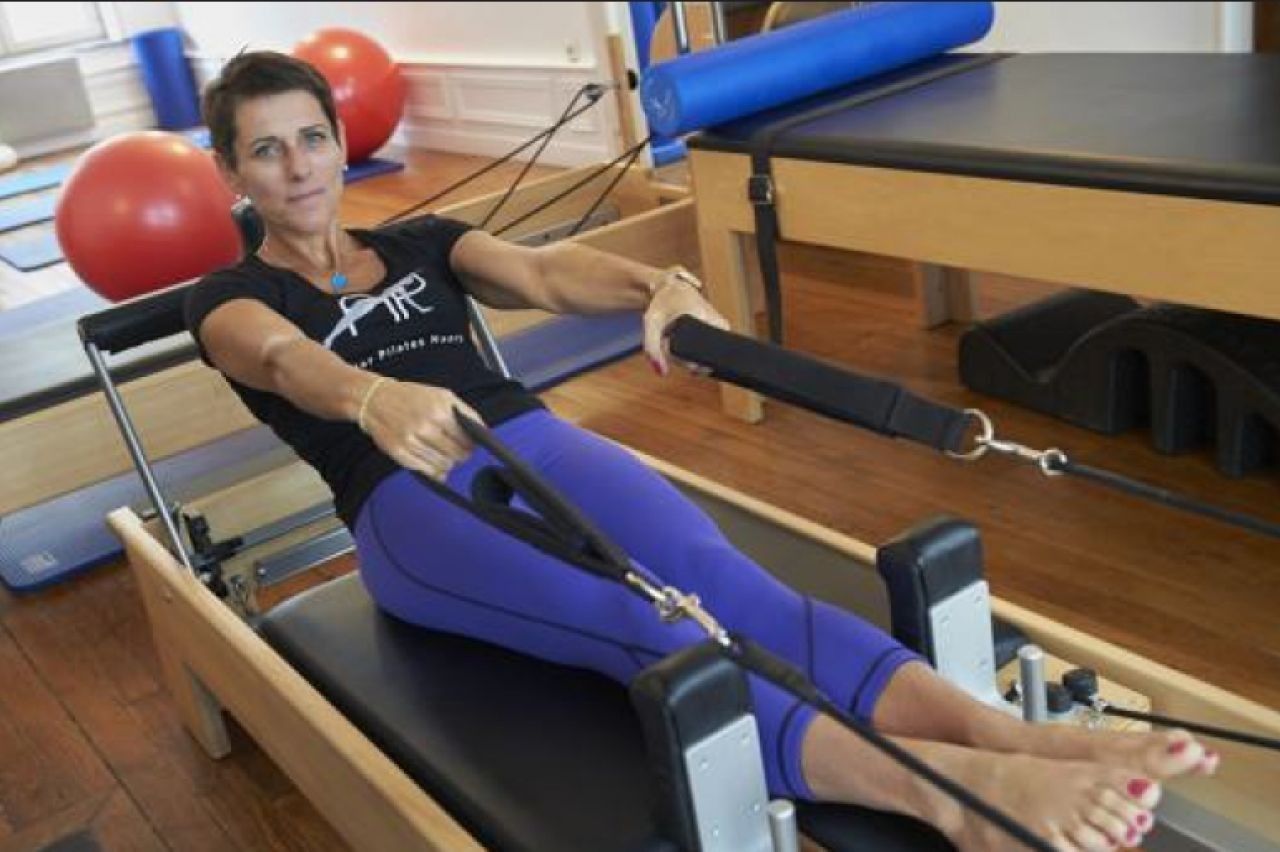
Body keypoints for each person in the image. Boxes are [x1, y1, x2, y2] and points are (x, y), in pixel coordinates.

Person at [186, 51, 1216, 852]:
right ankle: (958, 799)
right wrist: (367, 395)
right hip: (406, 502)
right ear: (230, 170)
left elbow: (544, 275)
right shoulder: (228, 299)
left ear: (339, 142)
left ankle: (1007, 737)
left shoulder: (420, 242)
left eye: (311, 137)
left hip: (535, 441)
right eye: (266, 150)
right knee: (646, 621)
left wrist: (657, 287)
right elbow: (278, 358)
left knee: (725, 583)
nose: (298, 166)